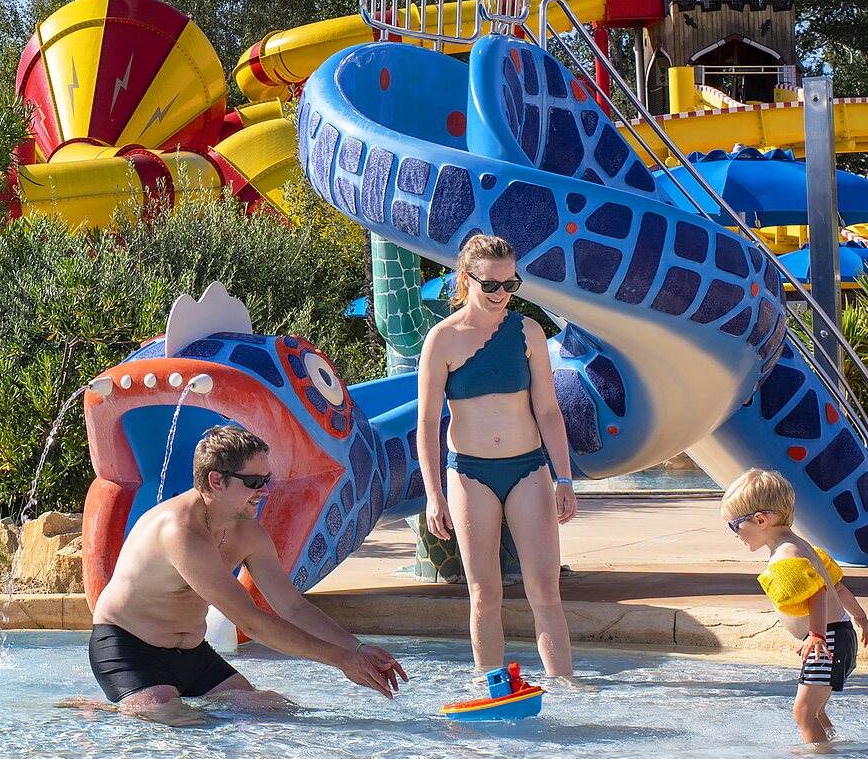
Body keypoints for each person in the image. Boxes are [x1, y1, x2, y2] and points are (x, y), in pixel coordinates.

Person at [86, 425, 407, 726]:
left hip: (192, 653)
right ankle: (99, 709)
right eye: (254, 482)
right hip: (129, 649)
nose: (265, 490)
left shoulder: (247, 534)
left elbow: (293, 607)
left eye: (267, 479)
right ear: (216, 480)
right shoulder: (180, 530)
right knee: (180, 723)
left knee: (277, 713)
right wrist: (342, 661)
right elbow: (250, 621)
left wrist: (357, 650)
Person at [417, 234, 576, 678]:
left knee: (545, 589)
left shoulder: (528, 332)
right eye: (491, 285)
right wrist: (434, 494)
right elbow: (428, 424)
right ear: (466, 280)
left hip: (528, 469)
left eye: (511, 284)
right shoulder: (442, 340)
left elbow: (547, 410)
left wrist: (563, 478)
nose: (501, 294)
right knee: (485, 592)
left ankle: (564, 688)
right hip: (469, 473)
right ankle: (493, 690)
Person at [720, 468, 868, 745]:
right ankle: (829, 745)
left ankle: (817, 753)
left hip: (826, 639)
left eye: (735, 526)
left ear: (760, 520)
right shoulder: (802, 546)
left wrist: (816, 634)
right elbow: (837, 587)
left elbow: (817, 593)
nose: (735, 534)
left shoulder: (786, 556)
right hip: (837, 634)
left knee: (803, 712)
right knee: (814, 711)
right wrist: (861, 618)